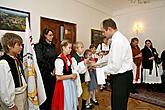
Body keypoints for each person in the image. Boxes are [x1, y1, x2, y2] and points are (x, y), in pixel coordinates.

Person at [101, 18, 133, 110]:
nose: (103, 34)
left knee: (118, 105)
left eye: (103, 31)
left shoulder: (117, 41)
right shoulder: (118, 38)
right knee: (119, 103)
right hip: (123, 76)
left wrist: (100, 70)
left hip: (121, 77)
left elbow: (115, 66)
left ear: (110, 29)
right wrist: (98, 63)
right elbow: (111, 55)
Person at [0, 33, 27, 110]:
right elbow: (4, 86)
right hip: (15, 97)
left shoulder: (16, 58)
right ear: (9, 45)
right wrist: (10, 104)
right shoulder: (4, 63)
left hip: (22, 93)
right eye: (19, 45)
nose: (21, 47)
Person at [34, 28, 57, 110]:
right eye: (50, 35)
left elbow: (55, 58)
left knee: (51, 94)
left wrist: (55, 68)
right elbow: (40, 60)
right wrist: (51, 69)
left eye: (52, 35)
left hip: (53, 74)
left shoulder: (53, 46)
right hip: (44, 74)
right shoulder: (39, 46)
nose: (52, 37)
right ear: (45, 35)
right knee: (44, 94)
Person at [51, 40, 78, 110]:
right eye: (69, 48)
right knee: (65, 104)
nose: (71, 49)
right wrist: (71, 76)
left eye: (71, 48)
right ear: (63, 48)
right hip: (63, 85)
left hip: (69, 84)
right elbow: (58, 77)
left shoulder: (68, 58)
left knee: (70, 102)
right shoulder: (59, 60)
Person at [72, 41, 90, 110]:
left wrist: (87, 79)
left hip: (84, 79)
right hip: (78, 80)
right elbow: (76, 70)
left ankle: (83, 106)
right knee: (78, 95)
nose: (82, 49)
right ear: (76, 49)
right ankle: (78, 107)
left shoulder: (82, 57)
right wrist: (83, 63)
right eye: (81, 47)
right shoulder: (74, 58)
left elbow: (85, 69)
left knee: (85, 94)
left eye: (83, 47)